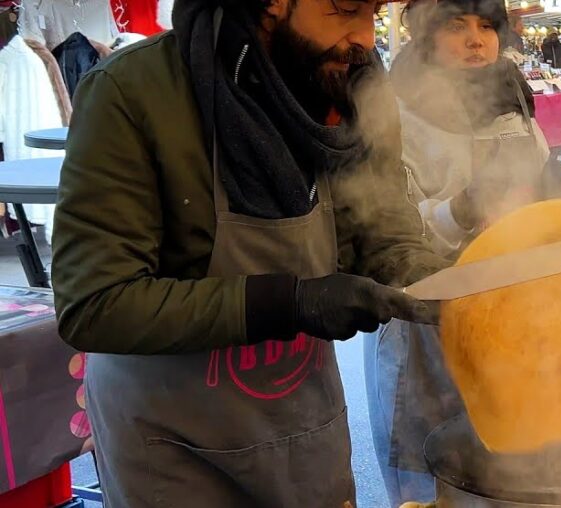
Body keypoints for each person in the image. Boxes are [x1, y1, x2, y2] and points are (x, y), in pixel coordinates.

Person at [50, 0, 451, 505]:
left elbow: (383, 226)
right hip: (173, 448)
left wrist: (425, 276)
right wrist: (292, 303)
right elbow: (95, 303)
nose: (366, 38)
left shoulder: (352, 87)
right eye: (347, 10)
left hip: (301, 430)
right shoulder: (134, 92)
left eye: (373, 12)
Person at [365, 0, 561, 504]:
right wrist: (461, 209)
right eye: (456, 26)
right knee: (431, 473)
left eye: (486, 26)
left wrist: (551, 191)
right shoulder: (394, 112)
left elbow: (532, 182)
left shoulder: (512, 94)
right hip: (427, 324)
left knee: (510, 465)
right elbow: (385, 233)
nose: (475, 40)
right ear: (425, 33)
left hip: (513, 314)